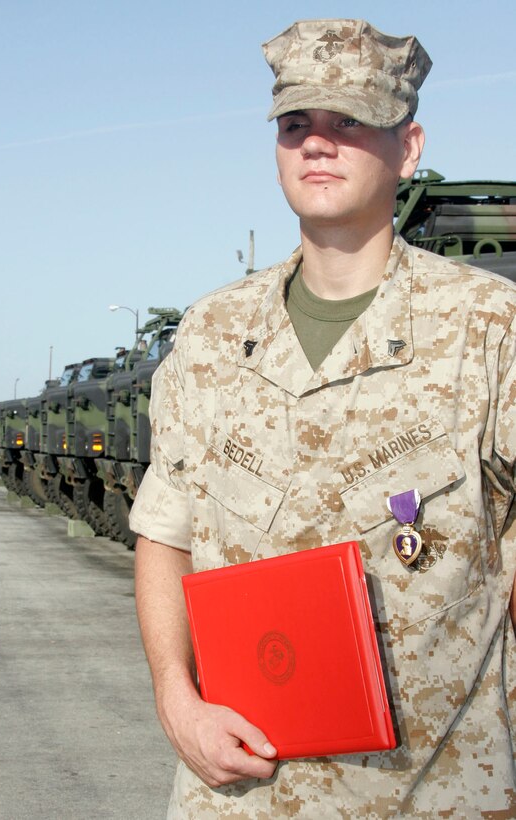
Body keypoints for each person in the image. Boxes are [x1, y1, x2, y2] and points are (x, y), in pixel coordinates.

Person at [130, 18, 516, 818]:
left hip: (436, 789)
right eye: (296, 125)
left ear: (407, 147)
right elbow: (163, 534)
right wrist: (176, 699)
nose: (317, 144)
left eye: (350, 123)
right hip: (240, 793)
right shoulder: (209, 337)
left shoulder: (487, 327)